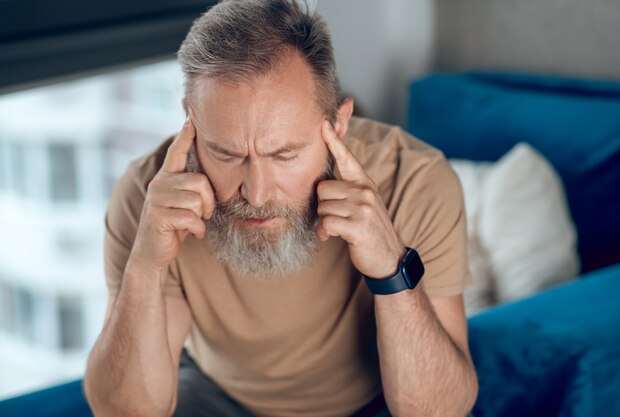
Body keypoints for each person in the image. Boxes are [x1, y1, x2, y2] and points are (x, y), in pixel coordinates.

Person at [83, 1, 478, 416]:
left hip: (372, 399)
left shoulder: (416, 180)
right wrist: (145, 266)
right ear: (190, 122)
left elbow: (438, 411)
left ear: (339, 123)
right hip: (217, 394)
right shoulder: (148, 196)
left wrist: (390, 265)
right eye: (225, 153)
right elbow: (127, 412)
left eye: (285, 154)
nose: (255, 193)